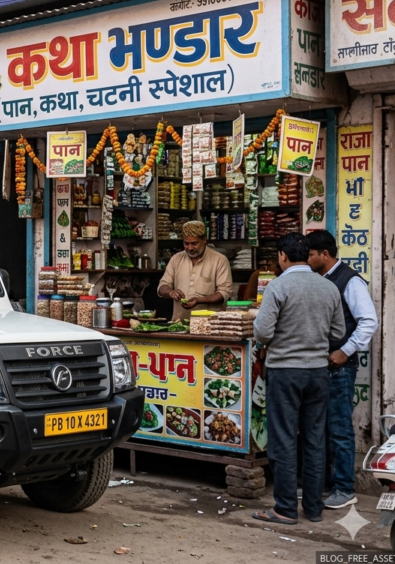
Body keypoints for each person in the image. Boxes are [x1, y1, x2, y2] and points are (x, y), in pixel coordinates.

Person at [252, 233, 345, 526]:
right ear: (306, 255)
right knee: (315, 439)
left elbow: (262, 333)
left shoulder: (278, 286)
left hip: (285, 372)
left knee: (282, 440)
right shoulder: (328, 287)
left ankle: (286, 508)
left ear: (282, 256)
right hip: (318, 372)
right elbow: (338, 332)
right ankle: (314, 508)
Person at [307, 230, 378, 510]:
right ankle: (322, 483)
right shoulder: (319, 280)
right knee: (319, 428)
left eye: (311, 254)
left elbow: (368, 321)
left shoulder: (349, 280)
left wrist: (344, 350)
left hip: (340, 367)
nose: (308, 259)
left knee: (339, 428)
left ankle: (344, 487)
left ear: (325, 255)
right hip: (320, 366)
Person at [157, 220, 233, 320]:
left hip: (209, 324)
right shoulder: (176, 259)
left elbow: (224, 293)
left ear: (204, 239)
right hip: (179, 323)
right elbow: (162, 286)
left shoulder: (219, 260)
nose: (190, 248)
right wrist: (171, 292)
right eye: (186, 243)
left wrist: (199, 300)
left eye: (194, 243)